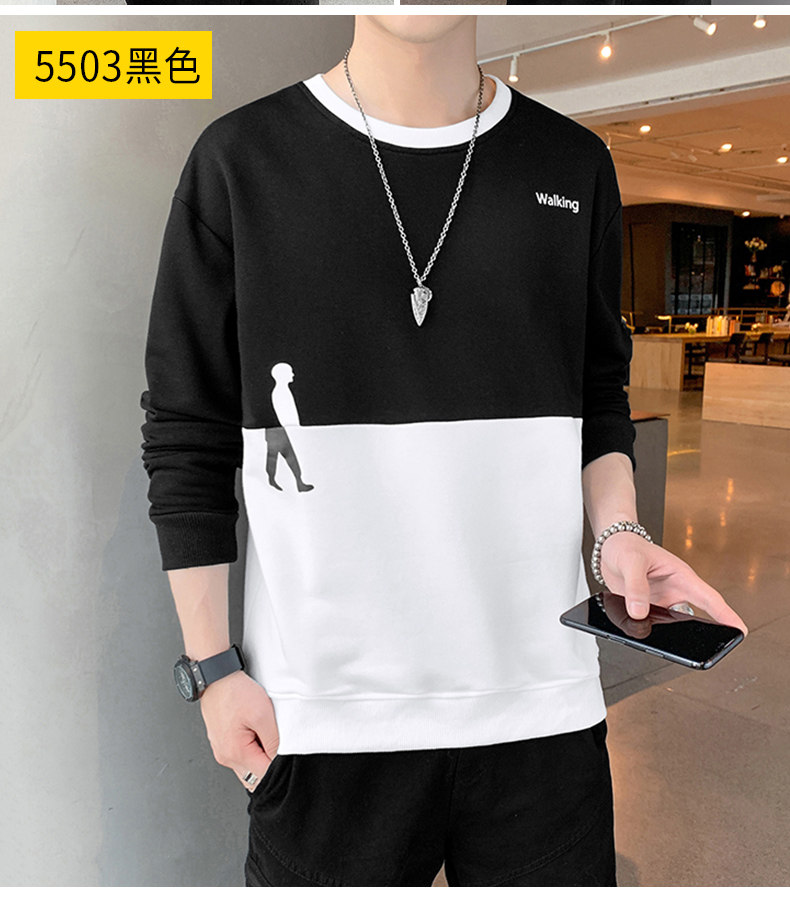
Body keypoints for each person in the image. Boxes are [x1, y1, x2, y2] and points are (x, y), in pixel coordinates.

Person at [140, 15, 747, 887]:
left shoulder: (571, 165)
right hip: (324, 715)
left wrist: (619, 532)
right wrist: (210, 669)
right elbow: (186, 430)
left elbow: (596, 392)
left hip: (540, 706)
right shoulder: (241, 162)